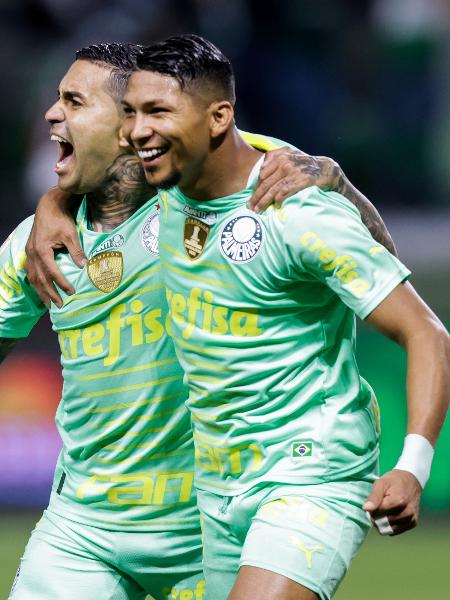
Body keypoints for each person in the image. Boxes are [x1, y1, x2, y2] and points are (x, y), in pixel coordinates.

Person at [0, 43, 384, 600]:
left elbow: (378, 257)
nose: (52, 114)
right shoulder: (39, 245)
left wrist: (335, 180)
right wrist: (52, 203)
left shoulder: (234, 184)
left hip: (210, 529)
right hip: (82, 527)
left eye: (74, 101)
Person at [115, 34, 448, 600]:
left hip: (311, 471)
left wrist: (413, 465)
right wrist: (50, 209)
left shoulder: (294, 204)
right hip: (218, 484)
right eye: (131, 112)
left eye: (157, 112)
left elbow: (427, 332)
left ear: (219, 117)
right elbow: (75, 171)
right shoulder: (165, 181)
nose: (137, 131)